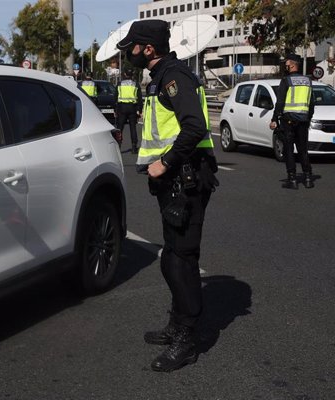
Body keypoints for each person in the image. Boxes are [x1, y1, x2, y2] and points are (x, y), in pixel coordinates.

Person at [116, 19, 219, 372]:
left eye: (132, 47)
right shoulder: (160, 78)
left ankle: (186, 340)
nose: (128, 53)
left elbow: (194, 127)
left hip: (186, 178)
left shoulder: (175, 77)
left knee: (181, 259)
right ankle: (177, 323)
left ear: (148, 48)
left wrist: (166, 161)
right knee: (172, 255)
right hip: (175, 180)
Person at [269, 54, 315, 189]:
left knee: (289, 149)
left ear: (293, 65)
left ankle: (292, 179)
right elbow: (311, 103)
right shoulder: (308, 80)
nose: (285, 66)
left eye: (287, 64)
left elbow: (280, 102)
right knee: (303, 150)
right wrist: (308, 118)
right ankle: (307, 178)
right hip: (303, 120)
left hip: (288, 120)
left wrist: (274, 119)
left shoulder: (286, 80)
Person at [116, 69, 143, 154]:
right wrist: (139, 110)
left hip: (122, 108)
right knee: (133, 128)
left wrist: (115, 109)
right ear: (132, 75)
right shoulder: (136, 84)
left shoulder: (120, 84)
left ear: (124, 74)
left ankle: (118, 146)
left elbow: (115, 97)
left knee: (120, 129)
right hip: (133, 108)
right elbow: (139, 98)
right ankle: (134, 147)